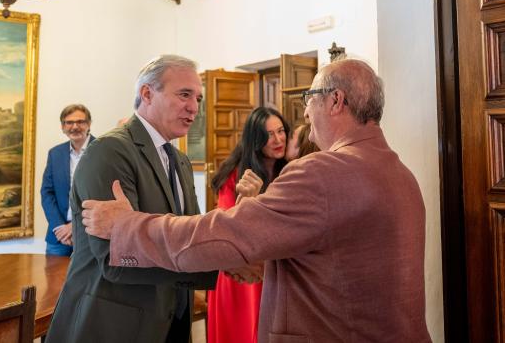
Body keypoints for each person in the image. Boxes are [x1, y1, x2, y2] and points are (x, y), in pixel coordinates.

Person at [82, 58, 431, 342]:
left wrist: (127, 227)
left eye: (309, 100)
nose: (306, 115)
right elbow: (333, 260)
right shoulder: (401, 175)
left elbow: (222, 233)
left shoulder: (322, 172)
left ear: (336, 101)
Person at [46, 55, 217, 343]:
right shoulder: (110, 151)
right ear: (147, 94)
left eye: (198, 98)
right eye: (184, 94)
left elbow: (190, 232)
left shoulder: (181, 161)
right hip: (112, 323)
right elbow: (117, 257)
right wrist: (214, 261)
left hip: (171, 317)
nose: (194, 107)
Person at [207, 106, 289, 343]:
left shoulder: (290, 171)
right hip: (241, 270)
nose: (277, 139)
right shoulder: (236, 175)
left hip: (274, 267)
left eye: (281, 131)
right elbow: (226, 226)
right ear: (255, 140)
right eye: (268, 135)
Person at [40, 104, 94, 256]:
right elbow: (47, 193)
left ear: (89, 124)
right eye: (69, 122)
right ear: (62, 126)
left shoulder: (102, 150)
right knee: (52, 279)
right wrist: (59, 226)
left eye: (80, 122)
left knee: (87, 280)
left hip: (90, 236)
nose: (74, 127)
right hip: (58, 237)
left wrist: (74, 227)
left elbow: (103, 195)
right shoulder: (55, 153)